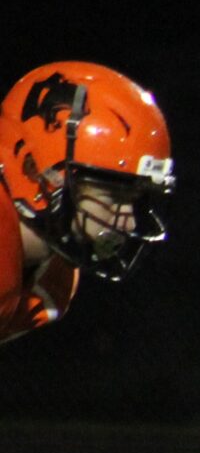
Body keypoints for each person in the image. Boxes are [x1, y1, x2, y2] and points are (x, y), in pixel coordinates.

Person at [0, 62, 173, 346]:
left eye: (135, 200)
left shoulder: (55, 281)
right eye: (113, 196)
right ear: (34, 170)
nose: (129, 221)